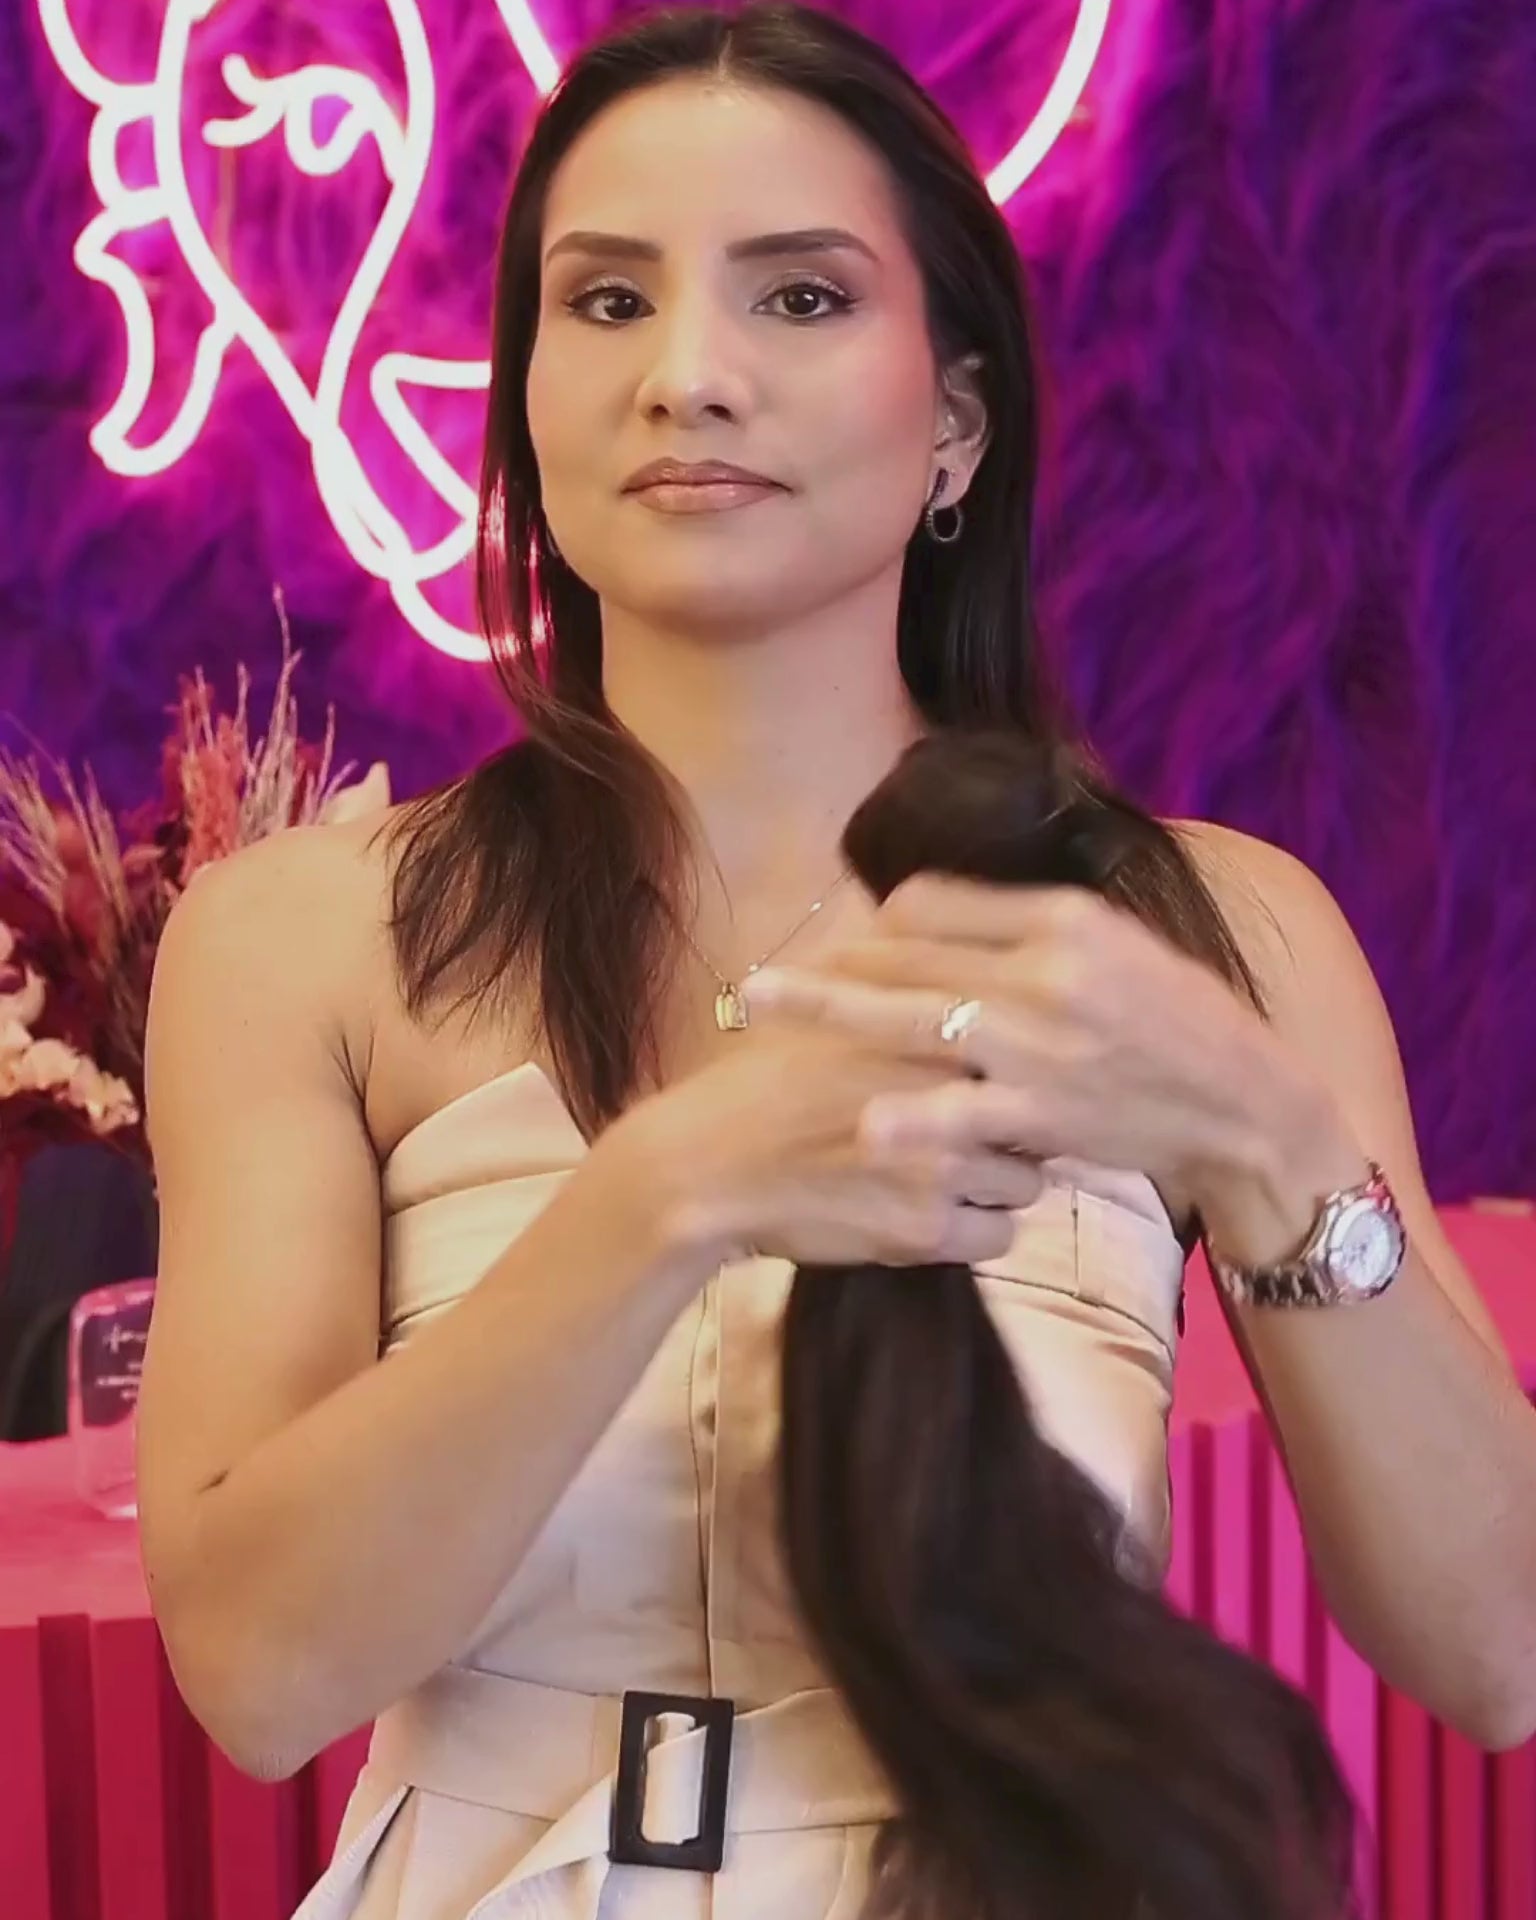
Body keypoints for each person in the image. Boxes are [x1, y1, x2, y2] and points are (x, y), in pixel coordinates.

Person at [137, 6, 1536, 1918]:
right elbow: (258, 1674)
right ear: (524, 394)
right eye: (606, 302)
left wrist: (1277, 1145)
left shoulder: (1215, 933)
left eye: (800, 298)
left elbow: (1498, 1647)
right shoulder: (305, 941)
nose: (690, 377)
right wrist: (663, 1195)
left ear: (956, 419)